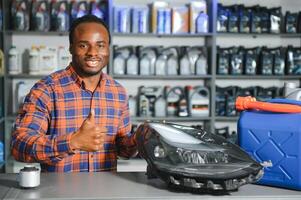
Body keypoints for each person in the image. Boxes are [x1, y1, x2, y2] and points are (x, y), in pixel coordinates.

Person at [11, 15, 137, 172]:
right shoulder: (47, 89)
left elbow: (123, 150)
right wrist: (72, 142)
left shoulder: (118, 92)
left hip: (106, 192)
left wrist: (139, 139)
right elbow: (19, 145)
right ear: (70, 47)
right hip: (58, 194)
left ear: (108, 49)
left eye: (100, 45)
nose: (93, 52)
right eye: (84, 45)